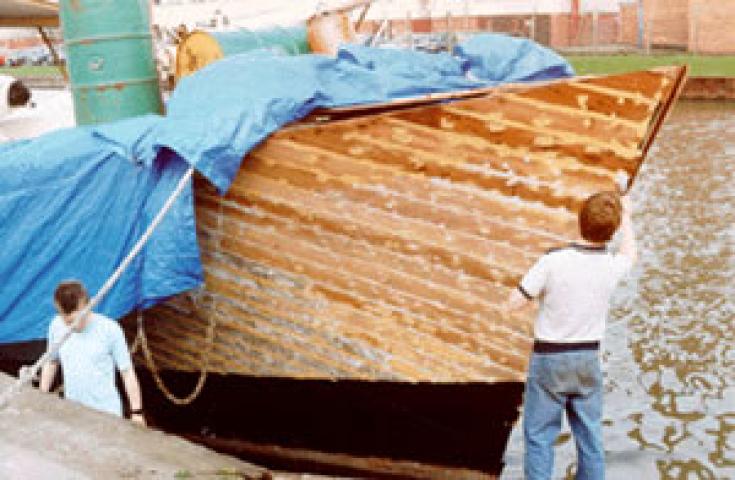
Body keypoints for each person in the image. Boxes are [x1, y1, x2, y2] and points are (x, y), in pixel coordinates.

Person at [505, 191, 636, 479]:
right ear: (611, 231)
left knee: (540, 437)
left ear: (580, 221)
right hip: (588, 359)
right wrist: (627, 216)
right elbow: (630, 254)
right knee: (590, 439)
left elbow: (513, 302)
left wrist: (536, 303)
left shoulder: (554, 261)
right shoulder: (610, 266)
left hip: (550, 359)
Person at [39, 280, 145, 425]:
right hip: (73, 411)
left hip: (107, 413)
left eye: (75, 320)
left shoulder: (111, 329)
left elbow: (127, 372)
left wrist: (137, 412)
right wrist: (41, 395)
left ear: (87, 306)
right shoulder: (56, 326)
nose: (72, 326)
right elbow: (52, 361)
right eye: (67, 322)